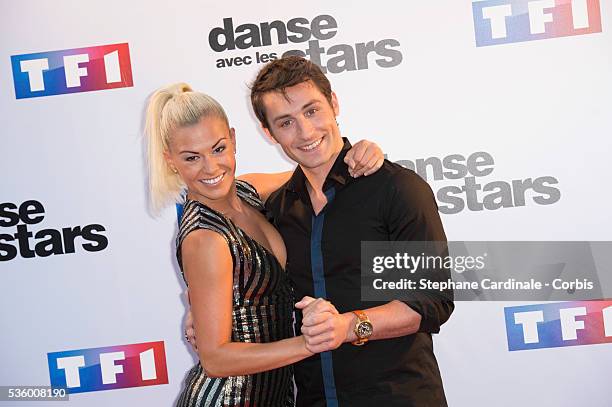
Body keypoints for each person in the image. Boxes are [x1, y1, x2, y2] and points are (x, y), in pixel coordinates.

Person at [189, 56, 454, 406]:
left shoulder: (394, 190)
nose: (306, 132)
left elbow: (431, 301)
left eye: (312, 111)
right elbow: (210, 202)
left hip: (397, 397)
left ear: (333, 103)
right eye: (286, 122)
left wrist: (347, 327)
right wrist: (211, 311)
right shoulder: (278, 209)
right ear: (268, 133)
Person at [144, 82, 385, 406]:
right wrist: (312, 343)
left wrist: (362, 152)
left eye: (218, 149)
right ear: (170, 160)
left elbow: (317, 169)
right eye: (192, 158)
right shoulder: (204, 237)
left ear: (232, 138)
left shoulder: (249, 191)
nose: (211, 168)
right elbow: (215, 359)